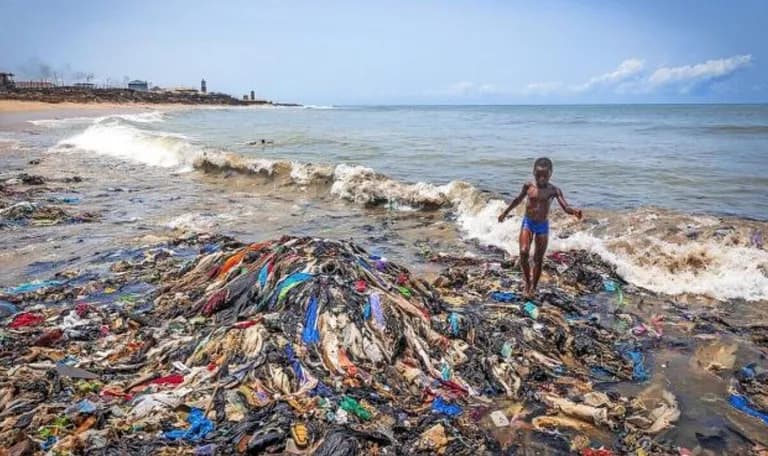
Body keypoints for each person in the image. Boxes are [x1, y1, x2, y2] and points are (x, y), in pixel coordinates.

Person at [498, 157, 582, 298]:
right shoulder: (528, 186)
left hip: (542, 226)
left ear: (551, 174)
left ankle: (533, 288)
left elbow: (565, 206)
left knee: (538, 258)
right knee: (524, 252)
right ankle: (527, 282)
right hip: (528, 222)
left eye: (545, 175)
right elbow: (518, 200)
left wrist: (574, 212)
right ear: (533, 172)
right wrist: (505, 213)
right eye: (538, 175)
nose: (541, 178)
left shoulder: (554, 190)